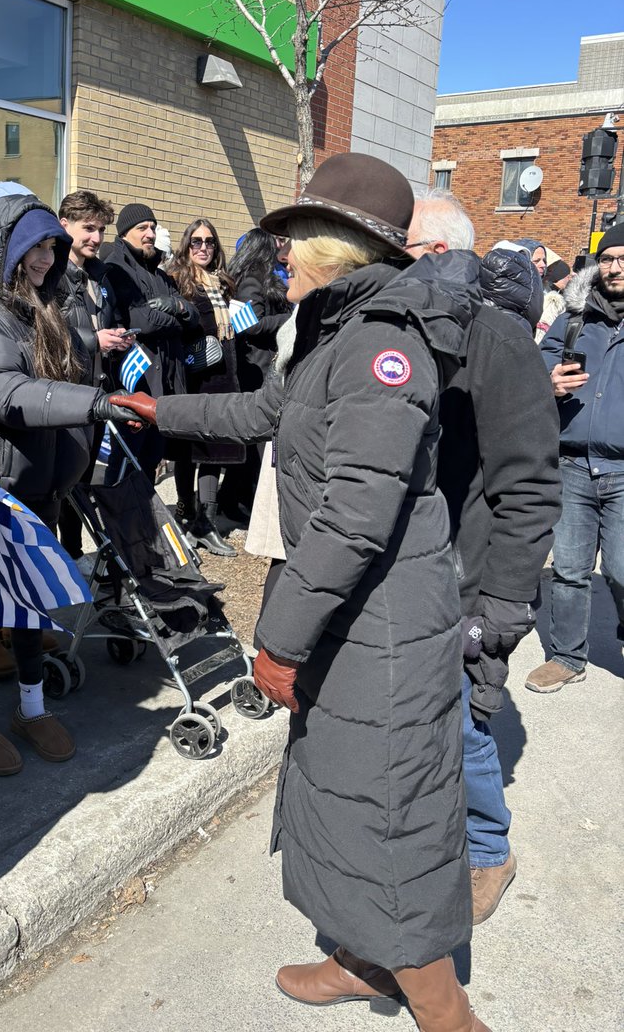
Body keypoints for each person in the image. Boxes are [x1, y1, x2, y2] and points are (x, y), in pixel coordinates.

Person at [111, 154, 491, 1031]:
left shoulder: (385, 346)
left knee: (387, 806)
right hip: (348, 612)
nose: (277, 256)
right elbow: (259, 415)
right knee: (343, 792)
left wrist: (277, 639)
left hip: (383, 620)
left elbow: (357, 519)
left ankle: (446, 1011)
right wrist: (160, 415)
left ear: (338, 246)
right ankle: (362, 960)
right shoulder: (332, 325)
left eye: (291, 241)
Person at [405, 190, 560, 925]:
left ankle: (488, 851)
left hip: (468, 581)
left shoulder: (495, 337)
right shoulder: (408, 330)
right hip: (412, 573)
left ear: (437, 255)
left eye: (400, 251)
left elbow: (528, 484)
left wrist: (503, 604)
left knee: (463, 723)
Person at [0, 191, 141, 776]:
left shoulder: (51, 306)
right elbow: (4, 394)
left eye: (52, 246)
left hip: (44, 485)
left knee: (32, 600)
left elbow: (67, 371)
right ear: (6, 248)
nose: (45, 256)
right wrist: (98, 403)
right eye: (34, 246)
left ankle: (30, 708)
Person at [527, 222, 624, 692]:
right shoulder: (576, 315)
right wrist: (549, 380)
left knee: (623, 569)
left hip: (623, 470)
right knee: (568, 568)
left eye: (623, 258)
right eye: (607, 259)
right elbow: (541, 358)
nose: (614, 267)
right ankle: (567, 656)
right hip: (572, 465)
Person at [56, 190, 133, 560]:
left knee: (88, 484)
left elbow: (105, 323)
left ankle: (82, 557)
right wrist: (92, 340)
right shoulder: (50, 277)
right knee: (65, 488)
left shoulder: (99, 276)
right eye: (88, 228)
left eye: (101, 229)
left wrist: (116, 337)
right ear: (63, 225)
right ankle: (68, 557)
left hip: (98, 395)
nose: (96, 238)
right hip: (66, 399)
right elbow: (46, 338)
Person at [100, 202, 199, 474]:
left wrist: (178, 307)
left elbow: (193, 320)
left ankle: (143, 517)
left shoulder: (160, 274)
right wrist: (176, 320)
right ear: (124, 234)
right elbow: (141, 321)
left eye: (153, 228)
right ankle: (120, 516)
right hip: (137, 385)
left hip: (165, 386)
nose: (150, 234)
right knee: (126, 468)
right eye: (142, 228)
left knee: (151, 462)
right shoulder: (115, 268)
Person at [166, 218, 244, 555]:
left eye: (209, 242)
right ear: (186, 245)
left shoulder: (224, 283)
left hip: (223, 374)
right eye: (196, 242)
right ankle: (184, 516)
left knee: (216, 451)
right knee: (187, 452)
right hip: (193, 376)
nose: (203, 248)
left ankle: (205, 521)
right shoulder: (177, 280)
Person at [218, 227, 291, 521]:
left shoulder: (261, 280)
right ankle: (238, 501)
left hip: (263, 366)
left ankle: (233, 498)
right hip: (255, 368)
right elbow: (250, 326)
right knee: (254, 444)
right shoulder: (250, 283)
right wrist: (291, 318)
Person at [536, 257, 572, 343]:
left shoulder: (549, 291)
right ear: (560, 277)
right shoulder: (552, 299)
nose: (569, 279)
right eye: (568, 276)